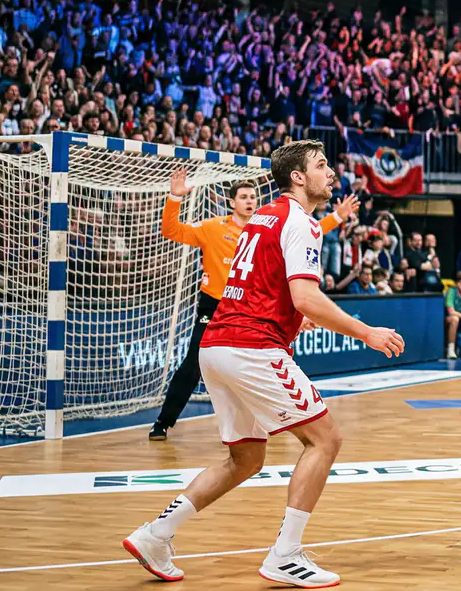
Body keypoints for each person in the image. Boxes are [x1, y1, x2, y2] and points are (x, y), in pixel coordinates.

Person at [122, 140, 405, 587]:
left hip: (216, 344)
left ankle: (155, 534)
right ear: (297, 176)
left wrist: (294, 319)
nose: (330, 172)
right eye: (321, 165)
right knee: (324, 440)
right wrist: (366, 332)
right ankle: (285, 555)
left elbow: (267, 289)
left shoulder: (263, 218)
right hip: (251, 348)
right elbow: (305, 296)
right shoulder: (301, 222)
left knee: (245, 459)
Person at [150, 171, 355, 441]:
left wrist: (337, 217)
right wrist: (175, 197)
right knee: (192, 365)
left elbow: (304, 231)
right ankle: (163, 422)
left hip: (250, 305)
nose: (250, 201)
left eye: (253, 197)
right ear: (231, 202)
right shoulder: (213, 228)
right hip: (213, 304)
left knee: (271, 361)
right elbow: (171, 230)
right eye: (244, 197)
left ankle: (280, 423)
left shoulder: (262, 226)